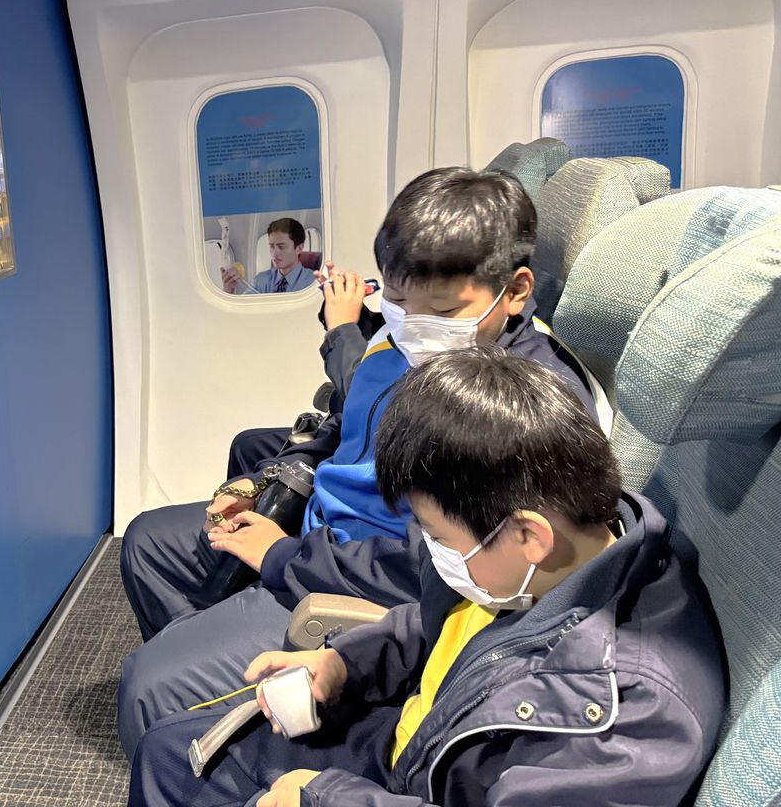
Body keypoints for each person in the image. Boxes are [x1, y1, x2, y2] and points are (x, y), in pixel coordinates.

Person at [117, 168, 597, 756]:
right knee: (146, 543)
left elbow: (447, 563)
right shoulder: (395, 338)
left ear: (515, 291)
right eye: (398, 300)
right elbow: (344, 421)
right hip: (318, 533)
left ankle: (205, 726)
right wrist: (264, 482)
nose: (413, 326)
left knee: (148, 687)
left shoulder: (517, 404)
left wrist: (280, 556)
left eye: (442, 309)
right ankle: (215, 701)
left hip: (367, 582)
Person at [128, 348, 725, 807]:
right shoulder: (559, 550)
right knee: (169, 751)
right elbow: (445, 627)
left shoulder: (631, 719)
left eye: (439, 537)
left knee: (181, 769)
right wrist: (346, 662)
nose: (433, 554)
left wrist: (322, 797)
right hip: (415, 737)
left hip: (416, 782)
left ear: (529, 536)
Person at [222, 218, 318, 294]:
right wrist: (228, 290)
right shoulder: (260, 281)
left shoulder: (314, 282)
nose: (275, 253)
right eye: (272, 246)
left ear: (299, 248)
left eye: (281, 247)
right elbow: (243, 309)